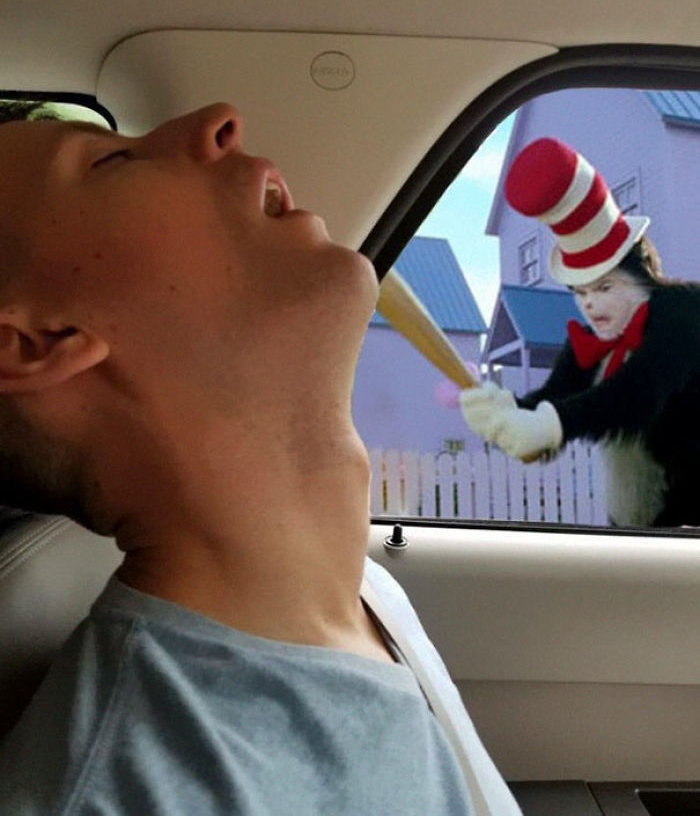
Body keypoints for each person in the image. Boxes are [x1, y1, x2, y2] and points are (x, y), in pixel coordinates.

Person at [0, 100, 522, 815]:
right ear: (38, 341)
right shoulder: (123, 794)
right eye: (111, 159)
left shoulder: (365, 599)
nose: (218, 120)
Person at [461, 137, 700, 528]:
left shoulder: (684, 311)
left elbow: (637, 394)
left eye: (605, 287)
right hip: (637, 529)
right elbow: (556, 402)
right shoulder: (588, 344)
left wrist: (550, 422)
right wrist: (503, 412)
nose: (590, 304)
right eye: (580, 292)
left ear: (644, 277)